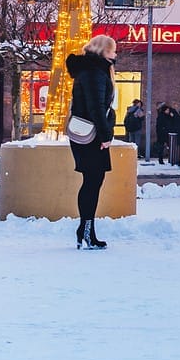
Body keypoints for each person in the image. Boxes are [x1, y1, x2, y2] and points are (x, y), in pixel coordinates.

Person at [67, 33, 118, 250]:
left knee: (92, 181)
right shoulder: (95, 72)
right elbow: (96, 107)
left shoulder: (90, 70)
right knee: (92, 182)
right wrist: (105, 136)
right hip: (92, 136)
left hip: (88, 134)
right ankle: (87, 231)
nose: (115, 54)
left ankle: (86, 230)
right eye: (112, 50)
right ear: (103, 51)